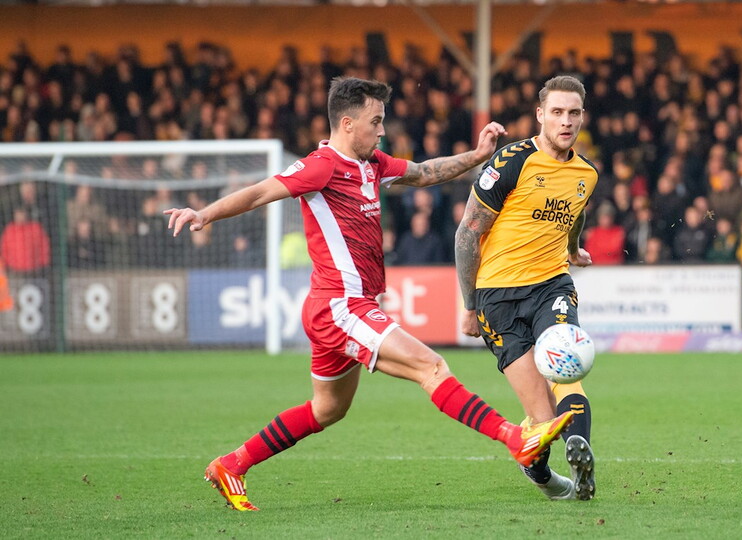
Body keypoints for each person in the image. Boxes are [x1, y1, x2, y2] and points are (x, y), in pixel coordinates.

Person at [164, 77, 573, 512]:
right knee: (431, 366)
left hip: (339, 307)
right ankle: (515, 438)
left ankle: (231, 465)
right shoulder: (321, 166)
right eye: (375, 122)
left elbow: (422, 173)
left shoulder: (372, 163)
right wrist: (204, 214)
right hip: (340, 305)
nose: (381, 131)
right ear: (347, 123)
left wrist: (476, 156)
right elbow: (262, 191)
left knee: (327, 409)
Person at [455, 75, 598, 502]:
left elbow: (576, 212)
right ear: (540, 115)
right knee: (541, 417)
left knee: (566, 361)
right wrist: (469, 306)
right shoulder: (512, 161)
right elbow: (467, 233)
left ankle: (581, 446)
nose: (566, 121)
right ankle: (541, 472)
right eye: (557, 112)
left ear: (582, 117)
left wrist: (572, 249)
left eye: (573, 113)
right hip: (497, 297)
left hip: (552, 285)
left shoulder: (586, 173)